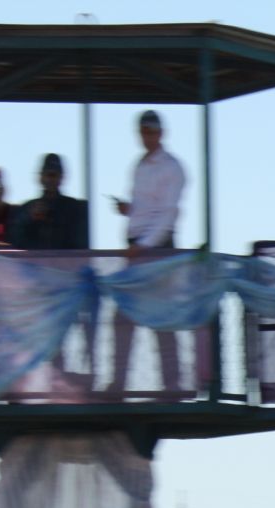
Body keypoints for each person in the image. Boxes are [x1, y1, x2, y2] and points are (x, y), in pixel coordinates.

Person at [107, 110, 186, 396]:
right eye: (144, 131)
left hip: (156, 248)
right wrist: (129, 210)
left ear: (161, 133)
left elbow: (168, 214)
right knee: (124, 316)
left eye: (152, 131)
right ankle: (119, 383)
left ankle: (172, 384)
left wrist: (145, 246)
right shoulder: (140, 164)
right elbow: (149, 208)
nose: (148, 136)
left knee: (161, 315)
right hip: (139, 245)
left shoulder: (171, 167)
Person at [9, 153, 89, 251]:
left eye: (54, 175)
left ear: (61, 178)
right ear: (41, 177)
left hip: (64, 264)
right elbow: (16, 242)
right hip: (34, 264)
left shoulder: (75, 208)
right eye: (48, 175)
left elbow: (80, 246)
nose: (50, 179)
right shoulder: (26, 209)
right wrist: (29, 218)